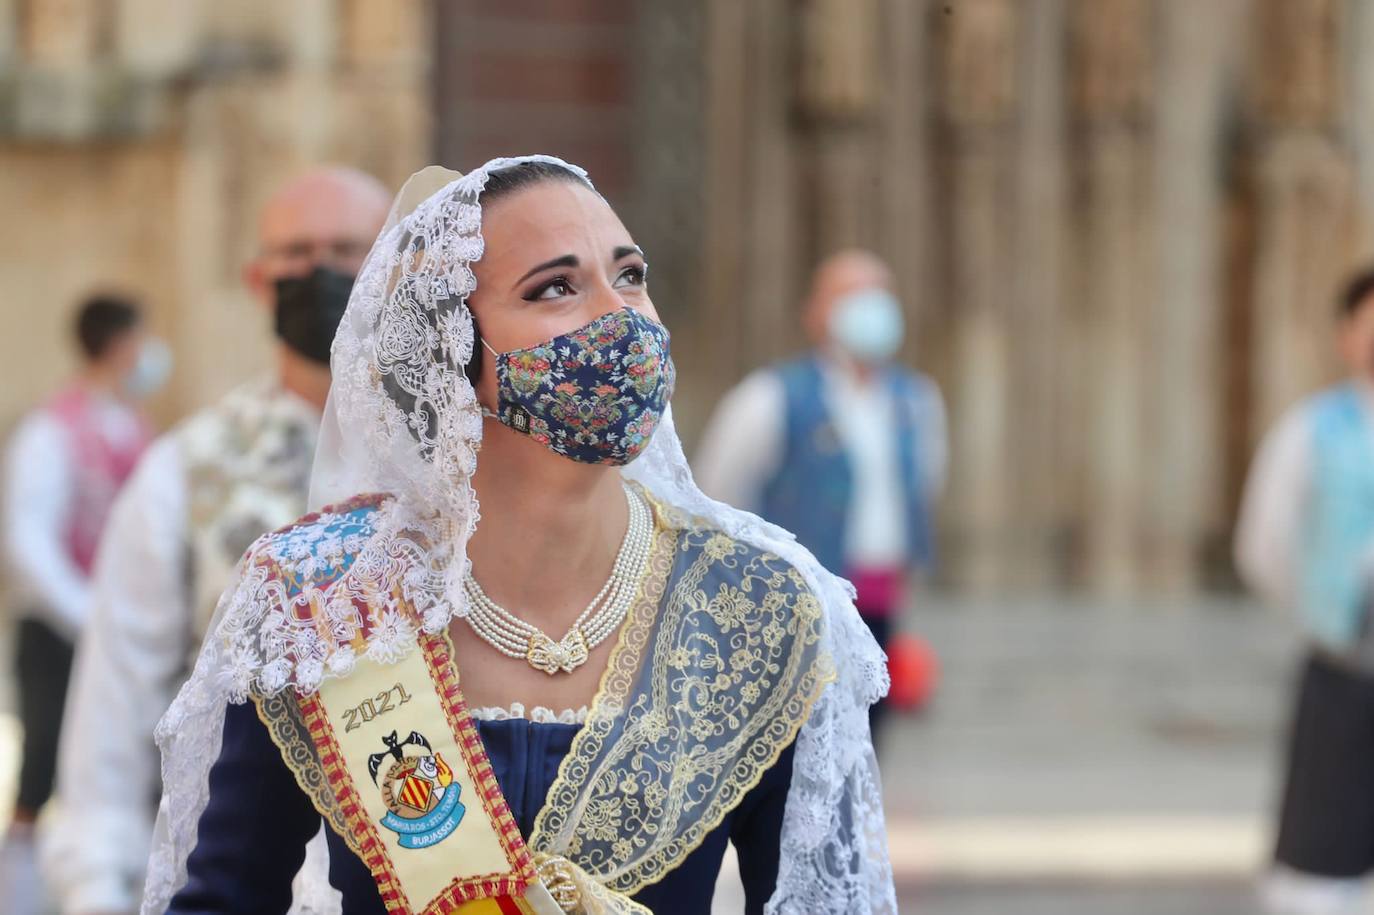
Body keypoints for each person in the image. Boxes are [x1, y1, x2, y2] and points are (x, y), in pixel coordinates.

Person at [141, 157, 896, 915]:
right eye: (556, 288)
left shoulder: (758, 607)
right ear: (451, 352)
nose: (620, 316)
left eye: (630, 274)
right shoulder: (320, 599)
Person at [44, 167, 392, 915]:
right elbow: (114, 711)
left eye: (346, 249)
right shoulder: (183, 470)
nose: (320, 272)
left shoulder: (464, 458)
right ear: (258, 279)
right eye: (296, 253)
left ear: (395, 261)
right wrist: (94, 890)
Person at [694, 249, 947, 740]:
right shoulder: (770, 397)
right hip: (794, 609)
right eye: (850, 294)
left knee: (869, 735)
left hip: (878, 597)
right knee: (799, 738)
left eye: (879, 292)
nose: (869, 306)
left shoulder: (916, 401)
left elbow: (924, 486)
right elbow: (717, 494)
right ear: (816, 313)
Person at [0, 294, 163, 915]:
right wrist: (88, 611)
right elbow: (27, 539)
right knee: (41, 766)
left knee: (122, 766)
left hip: (120, 630)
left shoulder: (134, 426)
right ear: (121, 345)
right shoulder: (51, 431)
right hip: (58, 631)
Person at [1236, 266, 1374, 914]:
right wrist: (1324, 608)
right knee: (1321, 859)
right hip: (1343, 668)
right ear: (1347, 334)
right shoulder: (1311, 430)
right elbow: (1265, 542)